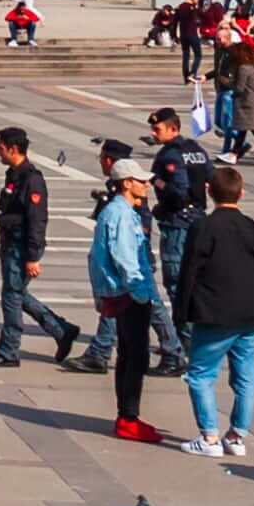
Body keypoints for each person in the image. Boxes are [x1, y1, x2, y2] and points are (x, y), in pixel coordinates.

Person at [168, 162, 254, 458]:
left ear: (208, 191)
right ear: (241, 193)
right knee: (245, 377)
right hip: (253, 315)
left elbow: (189, 272)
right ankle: (237, 436)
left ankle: (210, 437)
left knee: (200, 374)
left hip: (214, 314)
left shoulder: (203, 226)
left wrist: (181, 313)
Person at [87, 155, 171, 446]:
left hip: (122, 293)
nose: (146, 185)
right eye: (141, 181)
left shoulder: (119, 210)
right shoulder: (120, 214)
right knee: (135, 357)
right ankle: (128, 419)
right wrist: (138, 291)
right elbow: (124, 258)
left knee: (128, 355)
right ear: (126, 184)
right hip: (129, 294)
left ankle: (127, 416)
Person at [0, 130, 86, 368]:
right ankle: (62, 330)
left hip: (20, 246)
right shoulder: (13, 174)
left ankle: (9, 350)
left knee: (11, 297)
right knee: (17, 293)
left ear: (13, 149)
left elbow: (37, 220)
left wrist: (33, 256)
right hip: (10, 242)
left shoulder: (32, 179)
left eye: (0, 147)